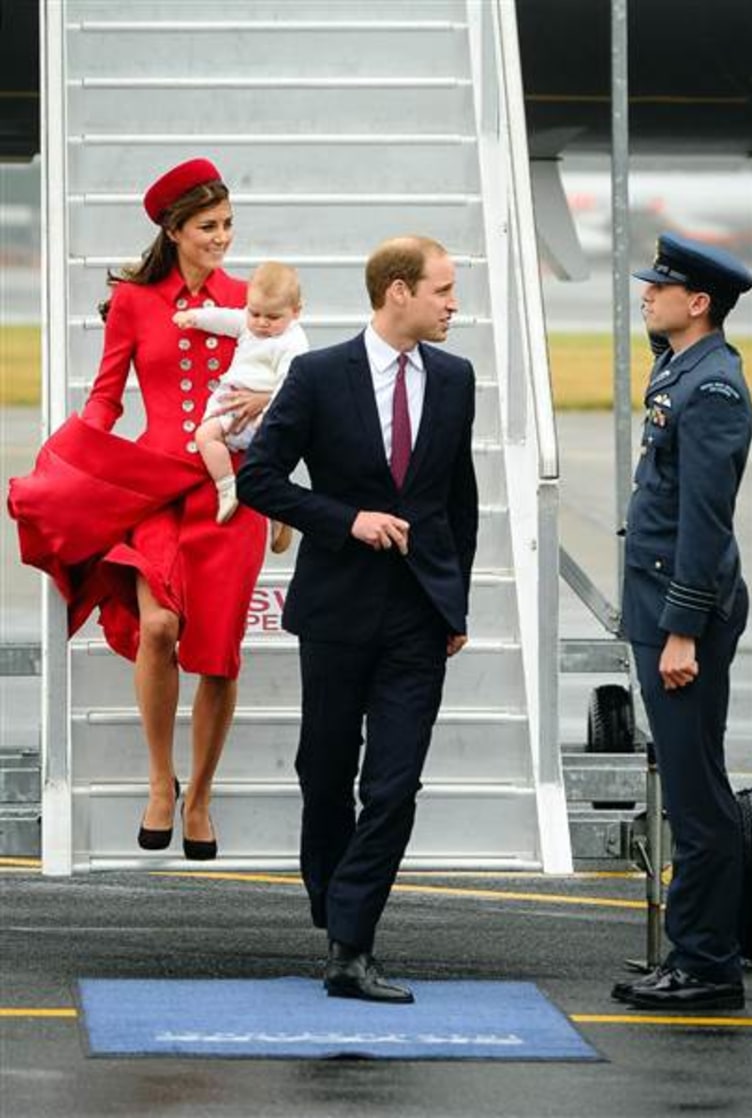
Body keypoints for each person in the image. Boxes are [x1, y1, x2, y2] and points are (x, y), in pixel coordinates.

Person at [237, 235, 479, 1003]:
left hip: (417, 613)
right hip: (339, 608)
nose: (453, 304)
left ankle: (351, 942)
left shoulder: (455, 377)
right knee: (325, 769)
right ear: (398, 292)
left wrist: (455, 598)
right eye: (442, 290)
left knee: (395, 784)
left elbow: (458, 499)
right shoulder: (315, 376)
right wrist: (348, 521)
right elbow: (261, 483)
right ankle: (334, 901)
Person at [8, 158, 270, 860]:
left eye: (228, 225)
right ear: (175, 228)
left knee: (217, 655)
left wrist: (272, 428)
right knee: (159, 627)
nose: (222, 238)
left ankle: (201, 796)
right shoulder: (132, 300)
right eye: (209, 227)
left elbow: (288, 387)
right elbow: (106, 394)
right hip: (153, 480)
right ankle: (160, 780)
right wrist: (74, 460)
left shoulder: (248, 299)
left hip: (229, 491)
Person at [611, 232, 752, 1011]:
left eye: (660, 288)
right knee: (692, 788)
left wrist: (683, 630)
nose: (647, 295)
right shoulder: (683, 370)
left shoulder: (713, 390)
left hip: (682, 611)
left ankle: (706, 965)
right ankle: (692, 955)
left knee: (698, 796)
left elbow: (703, 521)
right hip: (664, 603)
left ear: (697, 303)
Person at [173, 260, 309, 543]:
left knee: (265, 465)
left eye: (272, 317)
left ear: (296, 312)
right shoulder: (249, 324)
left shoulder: (292, 342)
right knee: (206, 435)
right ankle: (227, 487)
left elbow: (291, 384)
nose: (261, 322)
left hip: (264, 412)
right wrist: (195, 317)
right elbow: (225, 319)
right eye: (255, 313)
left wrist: (269, 411)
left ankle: (277, 512)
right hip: (231, 400)